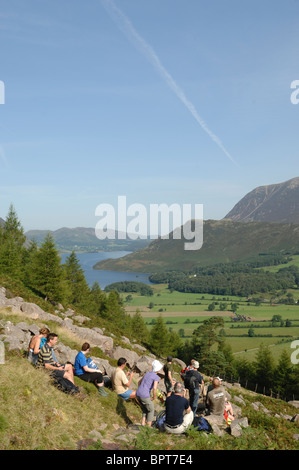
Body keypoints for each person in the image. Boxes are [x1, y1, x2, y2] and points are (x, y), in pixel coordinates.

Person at [136, 360, 163, 427]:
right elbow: (154, 388)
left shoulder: (148, 373)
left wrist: (141, 390)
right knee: (151, 410)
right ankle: (148, 428)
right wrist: (154, 397)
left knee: (145, 409)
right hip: (144, 395)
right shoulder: (156, 377)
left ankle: (142, 425)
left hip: (138, 393)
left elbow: (139, 382)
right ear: (158, 369)